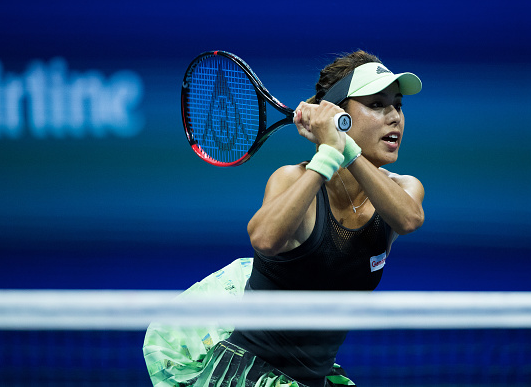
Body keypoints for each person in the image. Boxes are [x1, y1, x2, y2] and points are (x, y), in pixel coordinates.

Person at [143, 50, 425, 387]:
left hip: (315, 377)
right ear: (339, 115)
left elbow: (408, 219)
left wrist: (344, 149)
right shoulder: (293, 180)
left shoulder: (403, 188)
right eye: (377, 104)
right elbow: (263, 238)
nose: (394, 116)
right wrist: (327, 157)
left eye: (398, 105)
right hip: (249, 375)